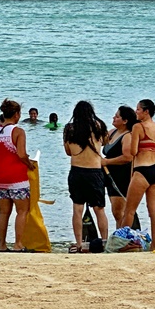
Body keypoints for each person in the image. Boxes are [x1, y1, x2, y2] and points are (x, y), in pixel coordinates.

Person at [0, 99, 36, 252]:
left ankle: (2, 245)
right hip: (16, 177)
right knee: (21, 211)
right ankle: (18, 244)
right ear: (16, 114)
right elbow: (21, 154)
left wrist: (3, 159)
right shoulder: (18, 131)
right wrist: (29, 164)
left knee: (3, 212)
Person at [63, 101, 110, 253]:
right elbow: (106, 143)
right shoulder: (99, 126)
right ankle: (104, 241)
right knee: (99, 209)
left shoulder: (69, 129)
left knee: (77, 209)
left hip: (76, 172)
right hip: (94, 172)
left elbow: (68, 152)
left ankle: (78, 243)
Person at [119, 99, 155, 252]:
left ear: (146, 111)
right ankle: (154, 246)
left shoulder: (138, 127)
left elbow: (133, 152)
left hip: (143, 169)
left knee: (129, 210)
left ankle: (124, 242)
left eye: (138, 109)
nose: (136, 112)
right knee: (153, 210)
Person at [101, 105, 137, 225]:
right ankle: (120, 236)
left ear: (125, 121)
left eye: (117, 116)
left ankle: (123, 237)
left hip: (121, 177)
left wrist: (107, 161)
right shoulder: (112, 132)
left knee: (118, 212)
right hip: (108, 175)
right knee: (114, 210)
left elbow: (128, 157)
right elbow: (97, 141)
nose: (113, 118)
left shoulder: (127, 136)